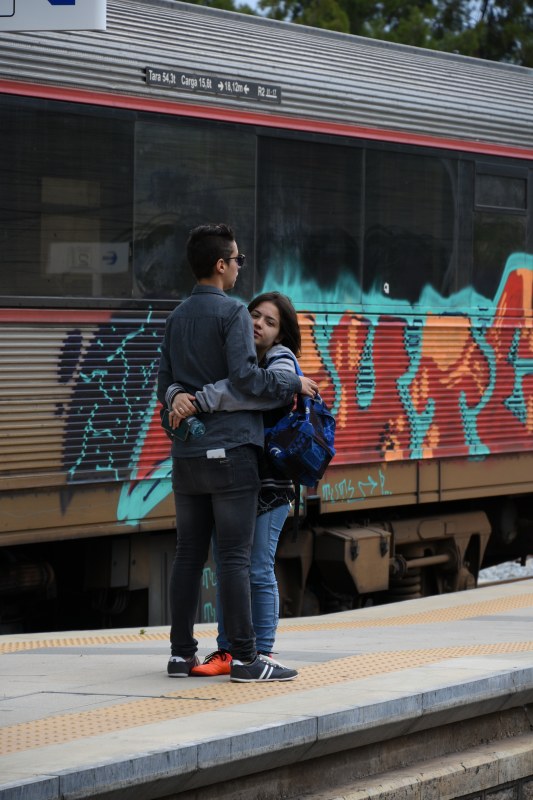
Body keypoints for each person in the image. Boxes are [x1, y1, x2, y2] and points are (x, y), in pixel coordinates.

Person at [157, 223, 318, 683]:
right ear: (221, 265)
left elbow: (162, 382)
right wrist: (291, 381)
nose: (238, 269)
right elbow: (248, 380)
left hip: (187, 456)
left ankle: (180, 655)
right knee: (233, 557)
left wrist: (176, 398)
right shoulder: (230, 314)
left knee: (187, 555)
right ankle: (247, 659)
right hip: (231, 453)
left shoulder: (176, 317)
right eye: (237, 260)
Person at [187, 292, 304, 676]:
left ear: (281, 333)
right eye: (254, 315)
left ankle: (263, 651)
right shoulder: (243, 360)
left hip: (269, 487)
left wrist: (201, 400)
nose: (258, 324)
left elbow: (253, 391)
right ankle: (228, 651)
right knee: (230, 568)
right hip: (235, 481)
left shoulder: (281, 361)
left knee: (256, 569)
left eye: (269, 322)